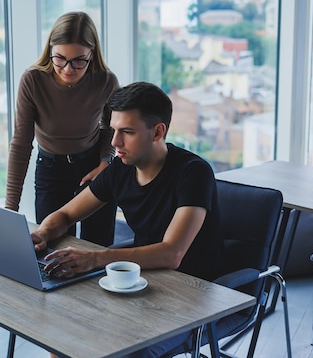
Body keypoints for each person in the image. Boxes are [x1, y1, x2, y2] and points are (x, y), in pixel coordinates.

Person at [31, 82, 223, 357]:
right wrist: (44, 232)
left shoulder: (194, 173)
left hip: (191, 294)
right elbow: (67, 213)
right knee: (63, 332)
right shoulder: (120, 168)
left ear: (158, 132)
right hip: (139, 282)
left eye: (127, 132)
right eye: (113, 130)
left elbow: (172, 254)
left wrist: (93, 259)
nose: (114, 142)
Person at [5, 11, 119, 246]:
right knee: (52, 249)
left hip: (94, 169)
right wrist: (10, 210)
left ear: (92, 54)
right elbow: (21, 144)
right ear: (50, 51)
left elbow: (111, 128)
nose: (68, 68)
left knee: (97, 248)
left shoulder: (105, 81)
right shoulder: (33, 80)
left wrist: (105, 162)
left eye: (79, 60)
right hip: (50, 171)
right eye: (60, 58)